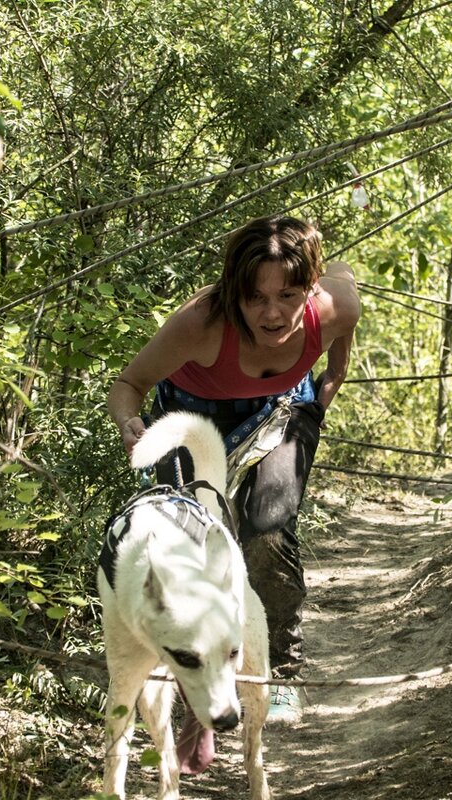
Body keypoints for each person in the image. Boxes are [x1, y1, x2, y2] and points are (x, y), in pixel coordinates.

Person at [107, 215, 361, 728]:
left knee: (265, 529)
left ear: (310, 289)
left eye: (289, 296)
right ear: (233, 294)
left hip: (283, 412)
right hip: (191, 417)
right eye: (255, 299)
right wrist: (130, 424)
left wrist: (319, 403)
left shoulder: (336, 308)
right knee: (183, 543)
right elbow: (128, 384)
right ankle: (187, 671)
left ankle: (279, 671)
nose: (273, 314)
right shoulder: (200, 322)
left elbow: (338, 333)